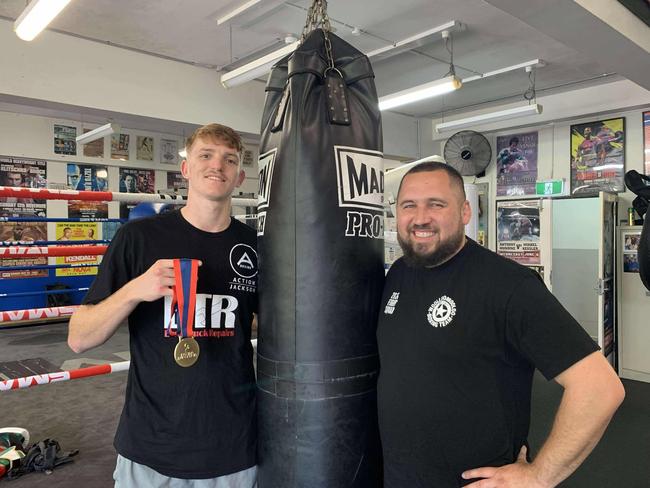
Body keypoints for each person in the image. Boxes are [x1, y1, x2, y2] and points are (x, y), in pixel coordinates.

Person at [377, 161, 624, 488]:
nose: (421, 217)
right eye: (409, 205)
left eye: (436, 204)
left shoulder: (508, 285)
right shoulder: (398, 274)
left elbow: (600, 388)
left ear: (465, 212)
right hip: (399, 476)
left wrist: (539, 476)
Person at [68, 123, 258, 487]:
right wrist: (135, 290)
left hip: (233, 448)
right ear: (186, 169)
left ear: (239, 176)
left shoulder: (256, 246)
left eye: (229, 159)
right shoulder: (138, 238)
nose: (217, 165)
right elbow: (79, 338)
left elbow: (267, 324)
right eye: (206, 155)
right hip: (151, 449)